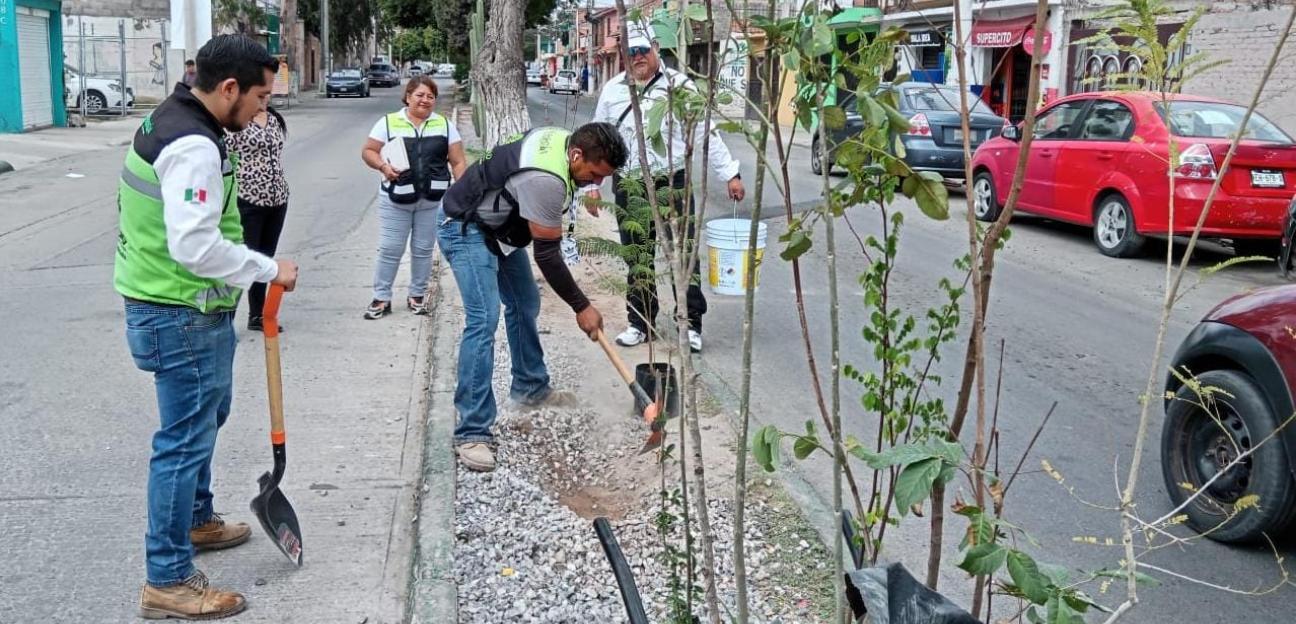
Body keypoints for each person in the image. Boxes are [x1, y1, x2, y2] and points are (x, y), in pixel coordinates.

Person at [116, 35, 298, 619]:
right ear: (228, 89)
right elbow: (194, 245)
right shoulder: (193, 143)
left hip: (171, 303)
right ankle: (167, 578)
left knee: (204, 418)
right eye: (260, 97)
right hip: (180, 310)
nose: (263, 110)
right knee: (183, 440)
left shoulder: (173, 116)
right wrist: (269, 269)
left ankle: (195, 519)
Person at [438, 122, 627, 472]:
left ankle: (530, 388)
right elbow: (548, 255)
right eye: (593, 174)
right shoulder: (546, 180)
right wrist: (582, 306)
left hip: (496, 228)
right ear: (576, 154)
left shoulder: (561, 141)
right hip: (464, 226)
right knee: (483, 319)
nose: (596, 183)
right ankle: (471, 431)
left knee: (525, 301)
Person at [592, 20, 745, 353]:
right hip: (630, 183)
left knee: (683, 254)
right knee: (638, 256)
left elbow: (708, 133)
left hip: (673, 181)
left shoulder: (680, 86)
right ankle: (640, 322)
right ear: (622, 55)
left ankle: (690, 325)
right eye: (631, 52)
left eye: (643, 50)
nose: (638, 57)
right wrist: (592, 184)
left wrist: (730, 174)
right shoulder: (613, 90)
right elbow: (597, 139)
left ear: (656, 49)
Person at [360, 75, 468, 319]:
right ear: (408, 97)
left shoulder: (444, 125)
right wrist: (383, 167)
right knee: (391, 248)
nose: (425, 100)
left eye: (430, 97)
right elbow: (368, 151)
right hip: (395, 198)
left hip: (432, 200)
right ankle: (381, 297)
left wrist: (463, 193)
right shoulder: (388, 123)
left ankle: (417, 295)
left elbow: (458, 161)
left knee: (423, 249)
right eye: (419, 95)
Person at [227, 104, 289, 331]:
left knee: (264, 257)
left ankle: (257, 315)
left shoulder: (273, 119)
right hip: (248, 200)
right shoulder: (237, 120)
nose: (265, 97)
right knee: (244, 260)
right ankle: (225, 316)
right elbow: (226, 157)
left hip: (277, 199)